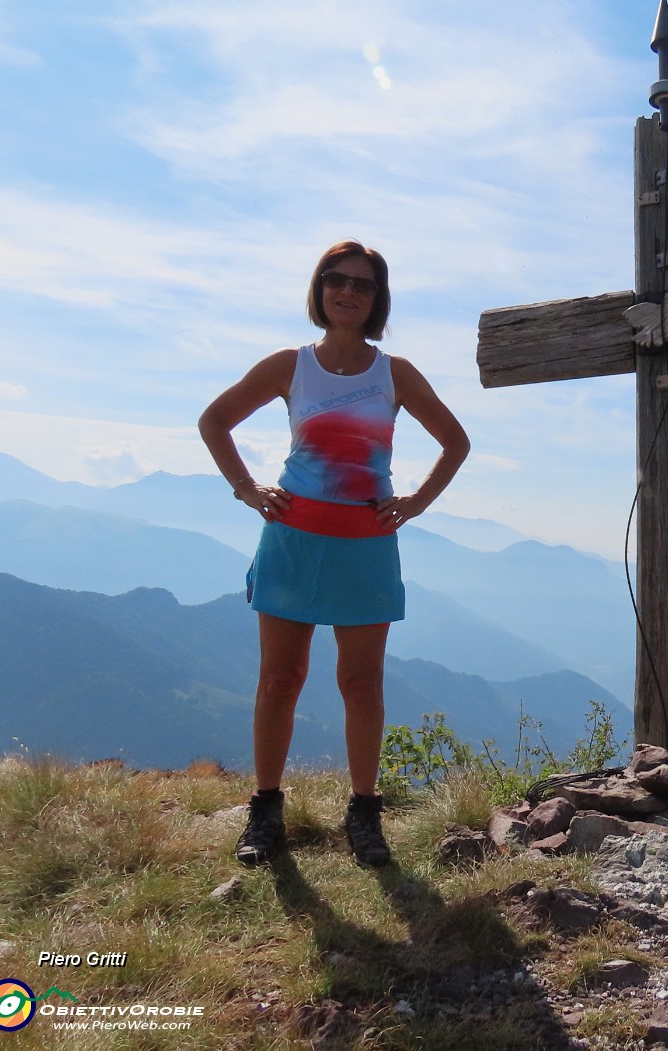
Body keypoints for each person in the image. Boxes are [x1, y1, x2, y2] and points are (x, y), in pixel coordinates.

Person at [199, 240, 470, 868]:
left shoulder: (394, 373)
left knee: (361, 682)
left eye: (364, 284)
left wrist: (415, 502)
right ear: (319, 289)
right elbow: (215, 420)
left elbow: (454, 441)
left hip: (365, 546)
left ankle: (364, 812)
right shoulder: (288, 365)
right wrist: (246, 489)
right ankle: (265, 810)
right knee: (279, 680)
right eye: (336, 279)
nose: (348, 291)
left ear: (378, 300)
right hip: (294, 539)